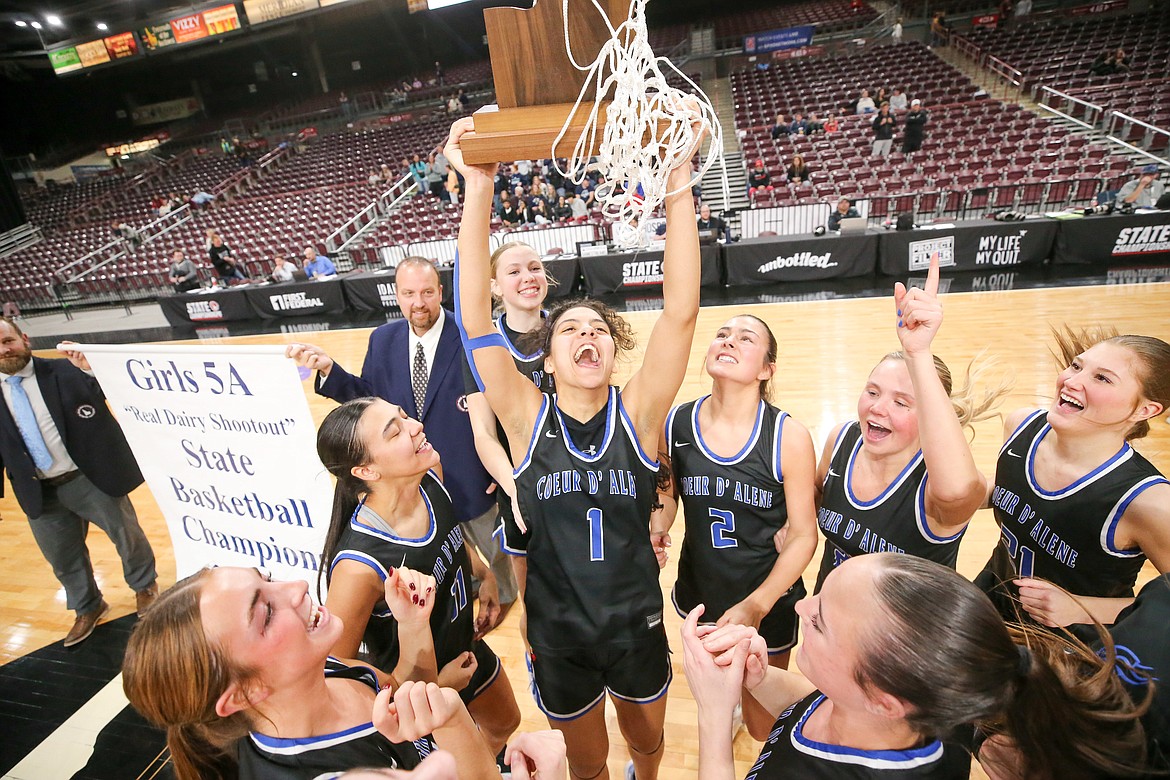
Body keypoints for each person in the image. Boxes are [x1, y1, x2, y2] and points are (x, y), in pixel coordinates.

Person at [448, 111, 703, 780]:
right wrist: (479, 188)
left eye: (598, 330)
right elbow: (475, 316)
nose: (587, 335)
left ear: (612, 354)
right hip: (559, 635)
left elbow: (681, 310)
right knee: (586, 766)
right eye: (571, 332)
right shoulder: (527, 416)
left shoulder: (639, 413)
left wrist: (678, 173)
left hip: (636, 624)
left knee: (648, 749)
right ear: (549, 361)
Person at [682, 553, 1151, 780]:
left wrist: (714, 715)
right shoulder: (922, 710)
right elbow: (817, 708)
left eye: (820, 621)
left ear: (886, 700)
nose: (803, 606)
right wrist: (760, 679)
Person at [286, 258, 517, 634]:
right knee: (443, 560)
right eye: (409, 294)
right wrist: (330, 371)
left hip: (473, 479)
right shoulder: (383, 339)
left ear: (441, 292)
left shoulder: (471, 333)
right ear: (397, 295)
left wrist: (504, 464)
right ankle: (462, 596)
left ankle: (503, 599)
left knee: (498, 559)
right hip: (415, 486)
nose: (419, 303)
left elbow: (505, 402)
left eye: (427, 292)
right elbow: (369, 402)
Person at [122, 564, 500, 780]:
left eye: (267, 579)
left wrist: (412, 624)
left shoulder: (329, 669)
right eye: (266, 613)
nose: (297, 586)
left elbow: (408, 695)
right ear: (244, 693)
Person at [316, 399, 521, 756]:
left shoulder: (430, 476)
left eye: (404, 416)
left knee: (506, 721)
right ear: (366, 471)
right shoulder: (358, 567)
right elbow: (335, 670)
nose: (414, 427)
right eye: (395, 432)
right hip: (417, 694)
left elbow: (449, 535)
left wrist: (483, 573)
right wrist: (436, 686)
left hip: (464, 650)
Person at [654, 315, 818, 739]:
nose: (729, 341)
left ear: (767, 369)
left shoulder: (788, 436)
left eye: (746, 339)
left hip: (767, 599)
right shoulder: (676, 423)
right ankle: (728, 711)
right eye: (722, 335)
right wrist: (654, 526)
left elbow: (803, 535)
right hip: (701, 592)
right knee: (715, 699)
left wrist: (757, 605)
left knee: (765, 727)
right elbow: (670, 496)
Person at [813, 255, 1003, 591]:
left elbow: (961, 490)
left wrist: (918, 353)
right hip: (829, 624)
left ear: (929, 413)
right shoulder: (842, 439)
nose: (878, 408)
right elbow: (815, 495)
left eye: (901, 402)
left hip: (904, 641)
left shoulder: (938, 488)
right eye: (873, 391)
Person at [974, 327, 1170, 629]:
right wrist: (961, 493)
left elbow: (1162, 606)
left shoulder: (1149, 501)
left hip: (1076, 647)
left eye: (1101, 378)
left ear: (1145, 409)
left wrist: (1082, 609)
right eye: (1076, 366)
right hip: (991, 607)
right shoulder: (1022, 426)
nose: (1072, 381)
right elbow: (1010, 490)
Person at [0, 319, 158, 646]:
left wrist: (91, 371)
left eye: (7, 341)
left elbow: (113, 392)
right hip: (37, 489)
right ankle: (88, 605)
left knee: (126, 535)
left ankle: (144, 587)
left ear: (23, 338)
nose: (4, 351)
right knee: (62, 558)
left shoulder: (64, 370)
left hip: (88, 477)